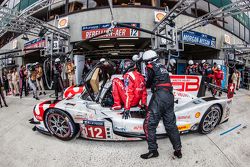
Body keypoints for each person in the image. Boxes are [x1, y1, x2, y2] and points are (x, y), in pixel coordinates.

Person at [140, 50, 182, 159]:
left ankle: (153, 151)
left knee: (148, 124)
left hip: (159, 97)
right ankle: (178, 150)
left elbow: (148, 83)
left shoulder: (150, 66)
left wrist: (145, 81)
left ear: (148, 60)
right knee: (171, 125)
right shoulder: (162, 66)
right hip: (169, 96)